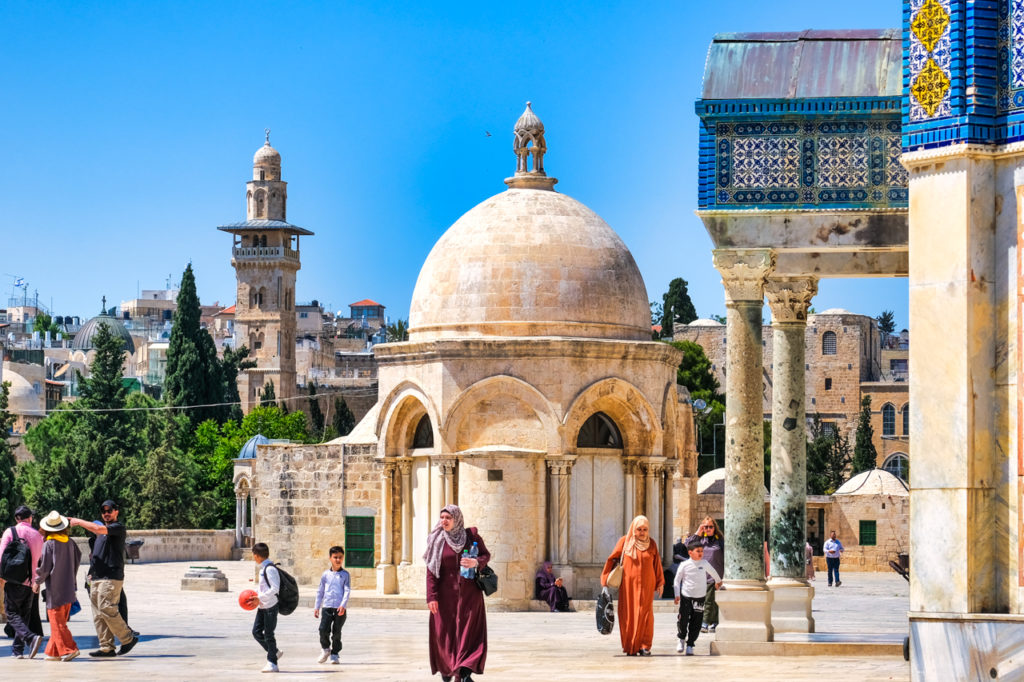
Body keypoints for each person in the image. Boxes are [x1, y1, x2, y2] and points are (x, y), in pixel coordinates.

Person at [425, 504, 490, 682]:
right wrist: (431, 596)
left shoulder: (471, 537)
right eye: (442, 517)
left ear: (457, 519)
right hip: (445, 597)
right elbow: (431, 570)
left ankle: (464, 671)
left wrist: (476, 562)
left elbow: (485, 555)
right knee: (444, 633)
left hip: (470, 595)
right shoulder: (437, 540)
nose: (444, 521)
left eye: (448, 518)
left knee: (469, 633)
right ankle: (447, 670)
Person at [68, 500, 138, 657]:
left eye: (109, 510)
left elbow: (99, 528)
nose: (106, 513)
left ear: (116, 512)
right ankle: (106, 647)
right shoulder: (98, 537)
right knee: (98, 613)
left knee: (106, 607)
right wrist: (90, 574)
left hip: (111, 576)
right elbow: (96, 556)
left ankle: (128, 637)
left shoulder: (117, 528)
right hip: (96, 577)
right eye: (103, 510)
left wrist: (78, 521)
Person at [601, 515, 664, 656]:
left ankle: (645, 646)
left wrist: (660, 582)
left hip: (647, 585)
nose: (642, 532)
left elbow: (657, 564)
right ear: (633, 529)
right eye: (639, 529)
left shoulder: (652, 544)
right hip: (628, 586)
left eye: (645, 529)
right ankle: (631, 646)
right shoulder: (624, 541)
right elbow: (612, 559)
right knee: (628, 614)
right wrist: (605, 580)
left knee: (646, 615)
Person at [33, 511, 82, 661]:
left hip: (55, 589)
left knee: (57, 622)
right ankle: (53, 652)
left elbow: (45, 567)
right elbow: (78, 560)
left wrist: (37, 581)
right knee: (60, 621)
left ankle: (70, 649)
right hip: (69, 588)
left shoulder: (49, 544)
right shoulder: (71, 542)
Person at [0, 505, 44, 658]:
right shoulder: (38, 536)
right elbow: (40, 560)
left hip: (13, 580)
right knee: (24, 615)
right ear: (30, 518)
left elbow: (2, 557)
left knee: (11, 612)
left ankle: (31, 638)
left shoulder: (9, 532)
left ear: (16, 519)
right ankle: (18, 650)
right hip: (31, 582)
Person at [673, 537, 722, 656]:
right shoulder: (684, 564)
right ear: (690, 552)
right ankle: (681, 639)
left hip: (700, 597)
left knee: (696, 622)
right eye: (698, 551)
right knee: (683, 619)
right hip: (686, 596)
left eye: (702, 551)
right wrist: (677, 594)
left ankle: (690, 645)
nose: (700, 553)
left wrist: (718, 581)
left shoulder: (704, 563)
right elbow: (677, 580)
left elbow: (714, 573)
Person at [247, 542, 282, 673]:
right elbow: (263, 587)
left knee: (269, 634)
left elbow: (275, 588)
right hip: (262, 606)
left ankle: (272, 663)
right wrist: (255, 596)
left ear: (257, 555)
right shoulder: (263, 568)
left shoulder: (270, 569)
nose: (254, 557)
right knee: (256, 632)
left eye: (254, 555)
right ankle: (275, 652)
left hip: (270, 606)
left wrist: (260, 598)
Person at [684, 517, 724, 634]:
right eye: (705, 527)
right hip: (701, 576)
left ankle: (706, 622)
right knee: (706, 600)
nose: (708, 529)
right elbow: (687, 544)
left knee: (711, 600)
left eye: (710, 527)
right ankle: (713, 622)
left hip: (716, 576)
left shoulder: (719, 541)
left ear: (714, 528)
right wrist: (698, 531)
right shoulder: (700, 541)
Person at [314, 545, 350, 665]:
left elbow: (347, 590)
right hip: (327, 606)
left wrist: (343, 605)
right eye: (335, 557)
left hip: (340, 608)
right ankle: (325, 649)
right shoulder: (325, 575)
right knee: (323, 629)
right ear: (330, 558)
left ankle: (335, 654)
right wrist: (317, 607)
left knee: (337, 632)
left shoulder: (345, 575)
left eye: (340, 557)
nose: (338, 560)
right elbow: (320, 591)